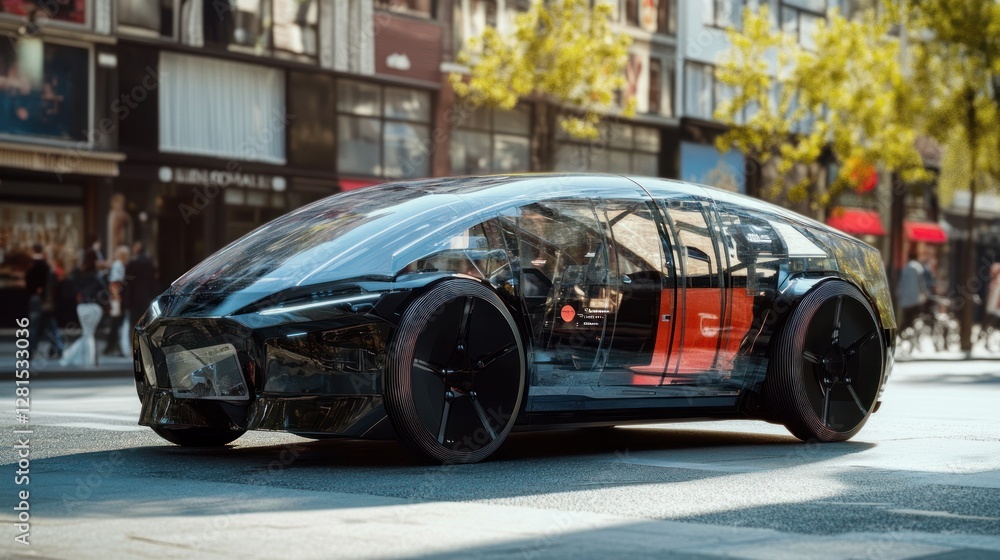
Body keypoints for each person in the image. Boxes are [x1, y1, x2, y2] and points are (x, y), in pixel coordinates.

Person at [60, 250, 106, 367]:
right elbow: (104, 291)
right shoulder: (96, 275)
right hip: (94, 306)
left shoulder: (77, 273)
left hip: (82, 306)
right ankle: (88, 360)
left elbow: (70, 287)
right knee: (89, 334)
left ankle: (75, 356)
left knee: (87, 333)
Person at [25, 243, 64, 359]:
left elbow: (29, 284)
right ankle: (58, 346)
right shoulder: (47, 266)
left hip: (37, 300)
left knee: (35, 326)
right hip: (47, 301)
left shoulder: (31, 266)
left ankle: (31, 350)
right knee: (50, 325)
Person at [103, 245, 130, 357]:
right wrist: (117, 296)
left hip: (118, 297)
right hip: (117, 298)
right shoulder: (118, 265)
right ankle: (113, 347)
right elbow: (113, 283)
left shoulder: (119, 265)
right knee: (116, 322)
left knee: (116, 323)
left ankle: (112, 347)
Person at [125, 241, 156, 329]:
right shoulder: (148, 262)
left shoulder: (133, 263)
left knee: (135, 319)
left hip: (135, 295)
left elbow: (128, 280)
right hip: (146, 294)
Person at [897, 248, 928, 332]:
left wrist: (899, 294)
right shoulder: (918, 267)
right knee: (914, 319)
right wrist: (925, 293)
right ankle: (912, 336)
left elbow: (901, 283)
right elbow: (922, 283)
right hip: (915, 299)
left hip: (905, 299)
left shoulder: (905, 268)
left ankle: (902, 333)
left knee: (906, 319)